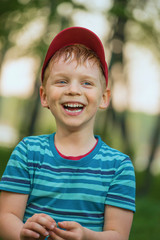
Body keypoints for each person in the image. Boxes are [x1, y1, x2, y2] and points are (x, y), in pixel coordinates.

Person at [0, 26, 136, 240]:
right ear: (44, 96)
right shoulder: (27, 152)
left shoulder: (118, 166)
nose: (73, 90)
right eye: (62, 81)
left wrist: (86, 236)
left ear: (104, 98)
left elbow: (118, 235)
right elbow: (6, 216)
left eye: (87, 83)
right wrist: (21, 233)